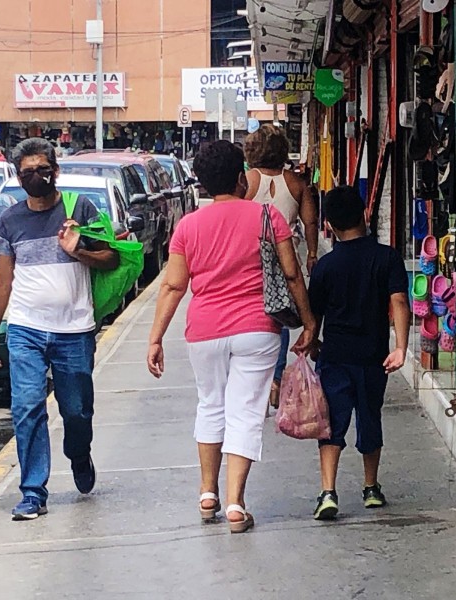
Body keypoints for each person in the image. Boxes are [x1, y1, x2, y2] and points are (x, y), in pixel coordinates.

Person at [147, 140, 316, 534]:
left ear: (203, 185)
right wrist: (309, 323)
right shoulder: (266, 216)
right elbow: (292, 275)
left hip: (204, 331)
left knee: (210, 405)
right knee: (245, 412)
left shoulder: (188, 226)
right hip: (257, 329)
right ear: (241, 178)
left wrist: (155, 338)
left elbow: (173, 287)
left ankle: (207, 494)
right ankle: (236, 504)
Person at [0, 137, 119, 521]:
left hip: (74, 329)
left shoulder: (81, 209)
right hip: (25, 327)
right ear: (18, 177)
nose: (37, 177)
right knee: (27, 408)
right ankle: (32, 491)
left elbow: (110, 259)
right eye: (28, 173)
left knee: (76, 411)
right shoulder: (10, 220)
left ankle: (79, 453)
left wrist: (79, 250)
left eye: (43, 170)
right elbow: (2, 280)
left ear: (55, 171)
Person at [307, 185, 411, 521]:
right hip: (373, 357)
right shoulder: (387, 257)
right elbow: (399, 302)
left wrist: (311, 342)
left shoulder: (325, 266)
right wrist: (401, 348)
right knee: (370, 418)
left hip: (335, 356)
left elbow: (314, 315)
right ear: (366, 215)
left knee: (331, 424)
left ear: (330, 225)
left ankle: (327, 492)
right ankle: (370, 488)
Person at [244, 123, 319, 410]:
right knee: (282, 314)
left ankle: (259, 377)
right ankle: (275, 378)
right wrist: (312, 252)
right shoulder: (297, 183)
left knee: (256, 312)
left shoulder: (247, 181)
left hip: (253, 258)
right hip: (286, 255)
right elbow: (310, 221)